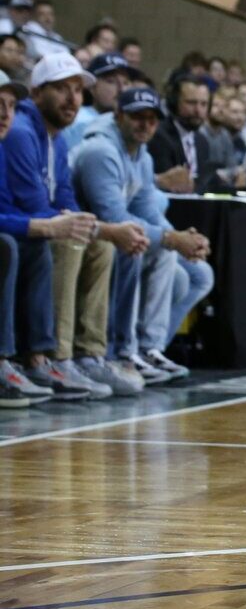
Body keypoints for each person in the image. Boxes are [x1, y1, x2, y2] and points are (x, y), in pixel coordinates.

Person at [5, 53, 148, 400]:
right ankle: (58, 356)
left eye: (77, 90)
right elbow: (40, 209)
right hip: (22, 230)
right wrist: (101, 228)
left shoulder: (56, 138)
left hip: (25, 226)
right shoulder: (22, 132)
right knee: (70, 241)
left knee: (96, 244)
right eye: (61, 89)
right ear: (37, 94)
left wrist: (96, 229)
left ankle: (90, 353)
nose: (72, 99)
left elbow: (66, 201)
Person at [70, 86, 212, 384]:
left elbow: (147, 209)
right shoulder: (101, 151)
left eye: (152, 119)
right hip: (87, 234)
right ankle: (123, 349)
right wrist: (172, 239)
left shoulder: (142, 155)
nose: (146, 124)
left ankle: (149, 349)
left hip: (115, 235)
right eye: (138, 117)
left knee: (196, 273)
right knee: (142, 246)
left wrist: (181, 237)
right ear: (119, 115)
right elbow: (114, 219)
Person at [0, 69, 79, 406]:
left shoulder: (3, 148)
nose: (5, 114)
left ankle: (36, 358)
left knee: (32, 246)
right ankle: (2, 360)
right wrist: (38, 225)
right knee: (8, 246)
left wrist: (39, 226)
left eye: (10, 105)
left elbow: (8, 208)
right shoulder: (19, 138)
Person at [148, 74, 213, 195]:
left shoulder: (202, 141)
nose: (198, 110)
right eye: (191, 103)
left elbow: (203, 185)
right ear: (174, 103)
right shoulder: (159, 136)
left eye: (203, 104)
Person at [64, 52, 140, 145]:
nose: (122, 89)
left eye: (126, 83)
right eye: (111, 81)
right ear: (92, 87)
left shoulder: (131, 127)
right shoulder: (78, 122)